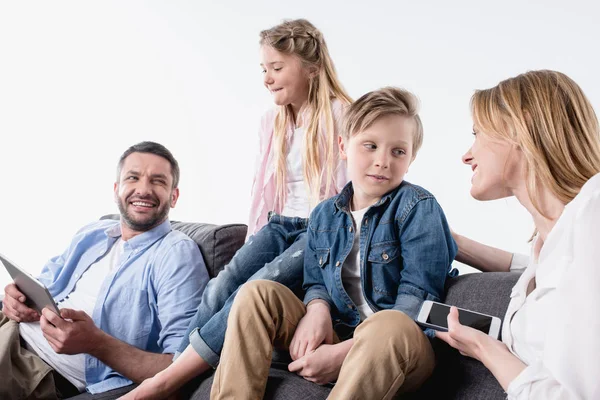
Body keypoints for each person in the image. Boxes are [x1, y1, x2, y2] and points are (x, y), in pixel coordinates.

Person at [122, 18, 352, 400]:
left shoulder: (342, 114)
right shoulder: (272, 121)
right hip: (279, 226)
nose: (267, 78)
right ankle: (178, 376)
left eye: (277, 68)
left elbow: (352, 198)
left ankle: (163, 383)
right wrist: (254, 242)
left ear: (311, 67)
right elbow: (261, 197)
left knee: (249, 291)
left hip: (320, 231)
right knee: (221, 285)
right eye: (264, 69)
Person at [210, 87, 458, 399]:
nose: (382, 161)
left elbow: (416, 301)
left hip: (398, 347)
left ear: (410, 159)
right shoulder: (325, 214)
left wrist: (343, 354)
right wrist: (317, 309)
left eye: (398, 152)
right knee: (257, 293)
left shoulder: (418, 206)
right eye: (370, 146)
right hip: (339, 329)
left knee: (389, 323)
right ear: (343, 146)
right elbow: (316, 280)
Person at [0, 141, 210, 399]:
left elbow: (180, 368)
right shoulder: (92, 233)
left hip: (37, 370)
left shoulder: (176, 253)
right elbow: (42, 284)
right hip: (8, 329)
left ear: (174, 196)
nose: (143, 190)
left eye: (158, 181)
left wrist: (95, 343)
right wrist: (15, 298)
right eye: (133, 178)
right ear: (116, 190)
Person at [436, 70, 600, 399]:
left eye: (477, 133)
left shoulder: (593, 209)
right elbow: (551, 271)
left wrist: (486, 350)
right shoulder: (548, 250)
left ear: (517, 127)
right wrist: (452, 243)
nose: (467, 155)